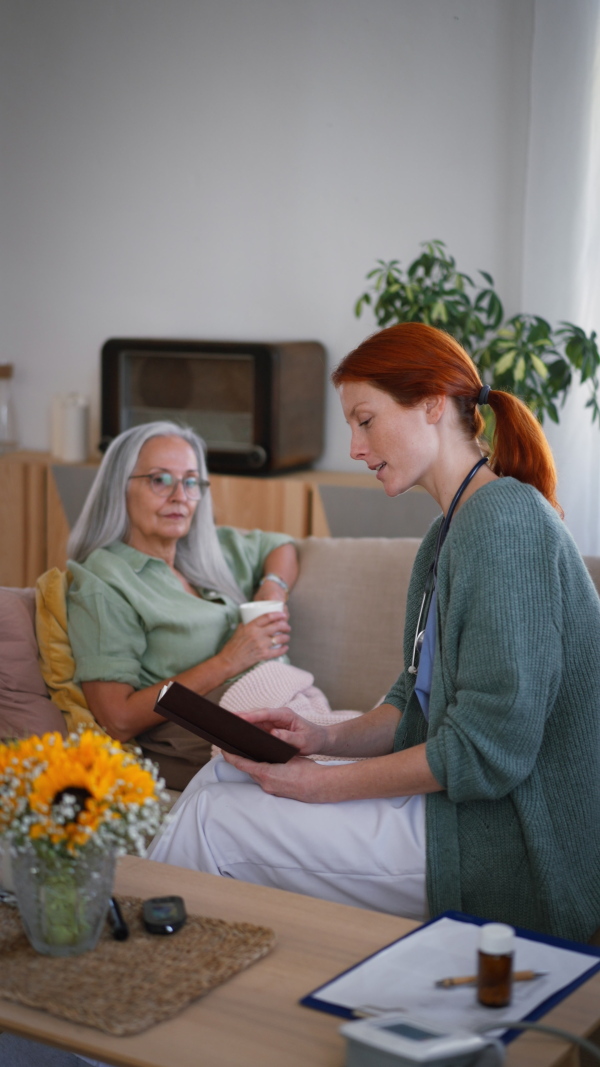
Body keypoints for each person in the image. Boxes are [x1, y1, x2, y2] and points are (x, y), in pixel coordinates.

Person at [147, 324, 600, 943]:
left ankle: (146, 1007)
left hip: (506, 841)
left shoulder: (505, 524)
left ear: (433, 404)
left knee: (216, 824)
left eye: (366, 420)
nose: (356, 449)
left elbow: (488, 751)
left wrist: (323, 784)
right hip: (458, 811)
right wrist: (319, 736)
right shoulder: (446, 537)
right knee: (221, 776)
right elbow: (409, 702)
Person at [66, 421, 298, 790]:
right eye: (160, 480)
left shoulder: (206, 549)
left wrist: (272, 589)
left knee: (386, 743)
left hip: (284, 707)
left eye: (191, 482)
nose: (180, 496)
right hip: (215, 746)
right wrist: (228, 660)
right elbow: (117, 719)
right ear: (119, 488)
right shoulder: (104, 582)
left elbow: (282, 546)